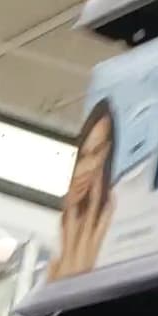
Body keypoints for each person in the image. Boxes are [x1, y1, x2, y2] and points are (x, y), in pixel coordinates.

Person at [48, 100, 116, 283]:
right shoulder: (69, 211)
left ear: (107, 151)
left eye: (97, 152)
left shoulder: (109, 208)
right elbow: (61, 280)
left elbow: (76, 276)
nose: (87, 167)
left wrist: (92, 210)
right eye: (83, 156)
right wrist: (71, 213)